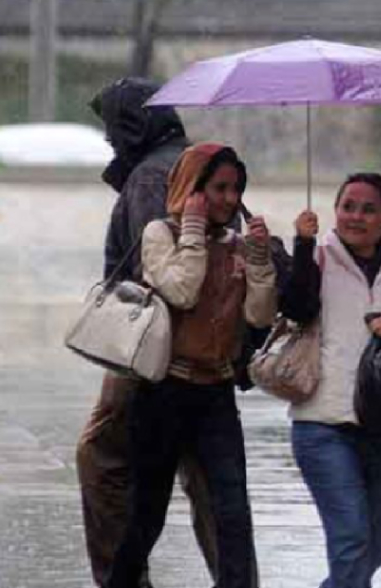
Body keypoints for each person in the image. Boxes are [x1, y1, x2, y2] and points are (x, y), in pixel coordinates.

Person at [104, 143, 276, 588]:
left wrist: (258, 262)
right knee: (148, 516)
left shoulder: (236, 244)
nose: (229, 199)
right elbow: (181, 291)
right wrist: (194, 229)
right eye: (218, 188)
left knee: (233, 514)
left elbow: (258, 316)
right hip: (165, 393)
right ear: (191, 187)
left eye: (236, 189)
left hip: (215, 395)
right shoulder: (161, 234)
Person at [77, 77, 222, 588]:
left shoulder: (148, 178)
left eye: (114, 127)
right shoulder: (194, 163)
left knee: (101, 458)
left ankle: (121, 577)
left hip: (152, 347)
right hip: (208, 347)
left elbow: (152, 271)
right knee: (206, 474)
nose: (110, 140)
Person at [280, 173, 381, 588]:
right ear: (334, 211)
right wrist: (301, 244)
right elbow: (295, 308)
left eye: (369, 208)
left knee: (379, 538)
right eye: (348, 206)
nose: (356, 216)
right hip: (323, 425)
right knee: (351, 539)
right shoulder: (316, 259)